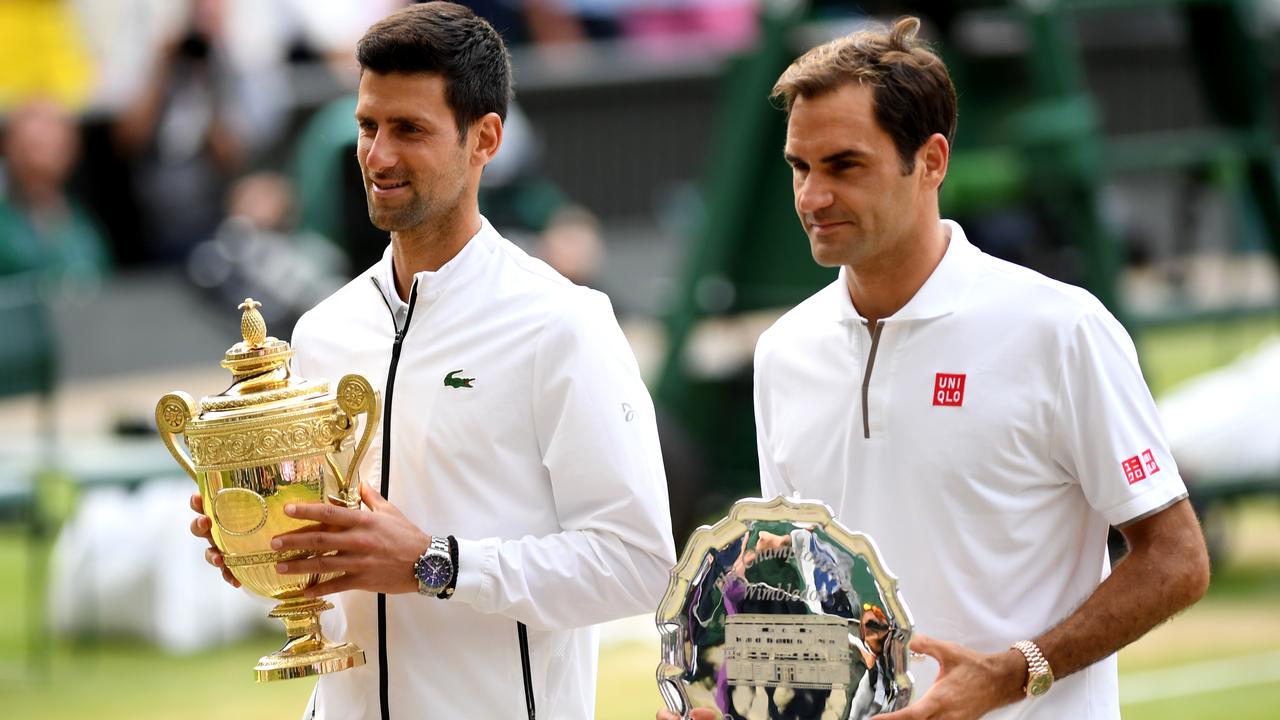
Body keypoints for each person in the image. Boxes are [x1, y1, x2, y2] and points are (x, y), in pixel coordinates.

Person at [660, 16, 1209, 720]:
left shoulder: (1062, 329)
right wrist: (741, 704)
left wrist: (1016, 673)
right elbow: (808, 591)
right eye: (801, 167)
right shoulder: (784, 351)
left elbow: (1177, 560)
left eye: (844, 166)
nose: (812, 197)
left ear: (932, 160)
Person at [188, 4, 675, 719]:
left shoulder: (563, 323)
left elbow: (640, 566)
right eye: (367, 126)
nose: (378, 155)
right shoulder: (324, 331)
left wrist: (434, 563)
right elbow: (345, 575)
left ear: (486, 139)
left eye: (408, 129)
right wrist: (263, 545)